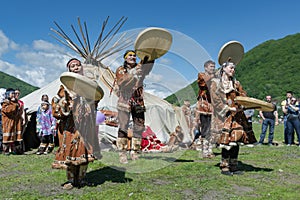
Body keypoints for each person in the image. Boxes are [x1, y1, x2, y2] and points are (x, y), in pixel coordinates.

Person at [51, 58, 101, 189]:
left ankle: (82, 178)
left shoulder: (89, 84)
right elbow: (57, 106)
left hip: (86, 124)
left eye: (78, 65)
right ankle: (71, 180)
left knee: (84, 150)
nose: (76, 67)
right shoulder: (64, 88)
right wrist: (66, 104)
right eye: (72, 66)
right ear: (69, 70)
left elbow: (96, 100)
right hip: (71, 126)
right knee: (70, 150)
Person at [210, 61, 257, 176]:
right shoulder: (215, 83)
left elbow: (243, 95)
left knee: (237, 139)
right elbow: (215, 100)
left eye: (234, 68)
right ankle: (225, 166)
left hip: (237, 115)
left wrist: (244, 103)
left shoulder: (236, 83)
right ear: (224, 68)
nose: (233, 70)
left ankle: (234, 166)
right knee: (227, 141)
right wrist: (228, 108)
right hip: (224, 116)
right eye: (231, 68)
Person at [115, 50, 154, 163]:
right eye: (130, 55)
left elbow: (148, 64)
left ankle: (135, 152)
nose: (132, 57)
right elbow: (121, 82)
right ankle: (122, 153)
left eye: (134, 55)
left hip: (137, 100)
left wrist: (152, 54)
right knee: (123, 126)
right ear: (125, 58)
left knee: (139, 126)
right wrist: (132, 73)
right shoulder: (120, 70)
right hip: (125, 100)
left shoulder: (140, 68)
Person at [194, 60, 216, 158]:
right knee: (205, 128)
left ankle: (210, 150)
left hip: (213, 105)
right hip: (204, 106)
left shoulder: (215, 78)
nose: (213, 68)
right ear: (206, 67)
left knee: (212, 129)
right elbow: (204, 83)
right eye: (211, 66)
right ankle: (204, 151)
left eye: (214, 66)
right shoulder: (201, 75)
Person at [1, 88, 22, 155]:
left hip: (15, 122)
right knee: (7, 137)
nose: (13, 95)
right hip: (8, 123)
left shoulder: (16, 102)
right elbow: (8, 110)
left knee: (16, 137)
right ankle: (6, 151)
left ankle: (17, 150)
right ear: (8, 94)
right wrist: (14, 105)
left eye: (14, 93)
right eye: (12, 93)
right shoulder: (5, 103)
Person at [14, 88, 25, 154]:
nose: (17, 94)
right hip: (13, 119)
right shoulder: (11, 102)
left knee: (19, 134)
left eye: (18, 93)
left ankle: (19, 149)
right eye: (16, 93)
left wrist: (23, 119)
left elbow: (22, 111)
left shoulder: (21, 102)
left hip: (19, 119)